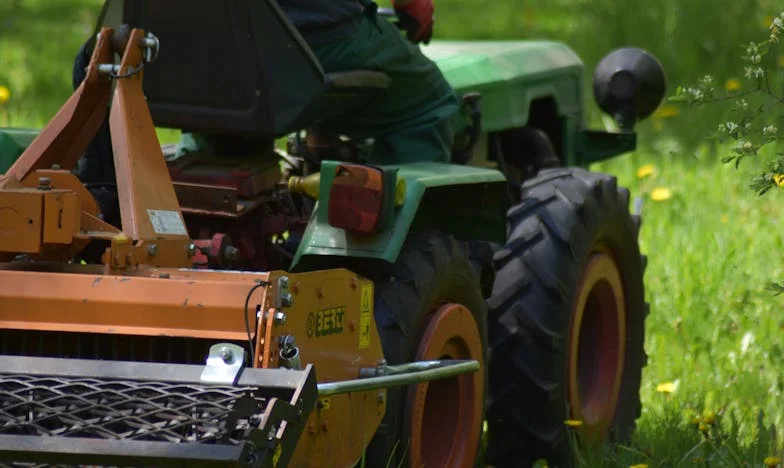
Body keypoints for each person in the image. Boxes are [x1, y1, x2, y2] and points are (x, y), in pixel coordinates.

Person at [73, 0, 460, 224]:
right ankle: (398, 239)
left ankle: (202, 168)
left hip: (176, 43)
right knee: (431, 104)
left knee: (219, 75)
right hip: (309, 42)